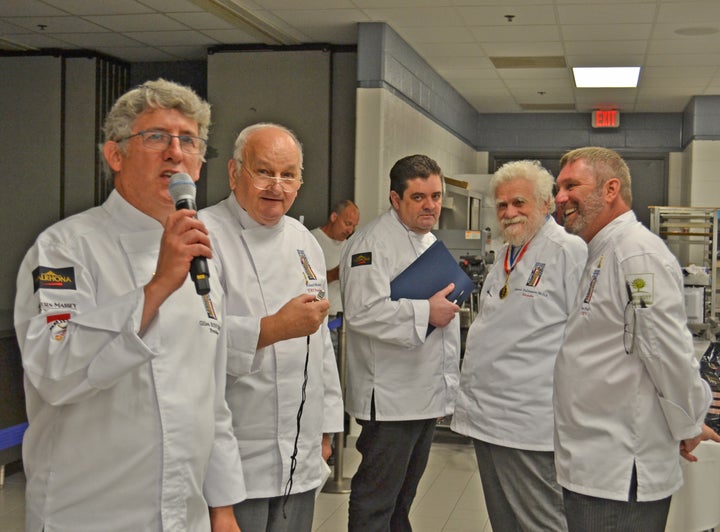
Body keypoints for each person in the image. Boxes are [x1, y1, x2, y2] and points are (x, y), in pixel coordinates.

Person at [13, 79, 246, 532]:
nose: (175, 152)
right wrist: (157, 286)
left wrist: (222, 508)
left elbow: (209, 399)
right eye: (156, 136)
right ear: (115, 155)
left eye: (189, 141)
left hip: (186, 515)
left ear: (197, 166)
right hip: (88, 514)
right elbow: (54, 369)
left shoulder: (203, 257)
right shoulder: (63, 249)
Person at [553, 146, 720, 531]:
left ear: (611, 189)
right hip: (595, 461)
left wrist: (690, 423)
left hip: (618, 470)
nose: (560, 198)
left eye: (571, 185)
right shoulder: (602, 252)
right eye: (559, 188)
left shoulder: (635, 255)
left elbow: (665, 350)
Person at [198, 123, 344, 532]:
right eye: (263, 171)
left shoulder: (303, 240)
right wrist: (273, 328)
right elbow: (190, 343)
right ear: (233, 173)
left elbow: (321, 343)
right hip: (235, 452)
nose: (276, 186)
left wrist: (328, 423)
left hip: (300, 447)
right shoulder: (203, 237)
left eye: (288, 175)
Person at [451, 160, 586, 531]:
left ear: (546, 204)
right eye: (502, 205)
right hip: (489, 418)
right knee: (505, 523)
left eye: (519, 203)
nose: (509, 213)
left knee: (539, 522)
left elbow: (588, 335)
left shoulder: (568, 251)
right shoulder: (506, 254)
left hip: (529, 421)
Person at [340, 154, 461, 532]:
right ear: (396, 199)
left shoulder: (428, 239)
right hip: (391, 398)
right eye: (419, 197)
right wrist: (426, 312)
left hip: (422, 394)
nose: (431, 206)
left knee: (402, 499)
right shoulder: (370, 243)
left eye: (436, 196)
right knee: (377, 499)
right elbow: (362, 313)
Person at [310, 199, 360, 320]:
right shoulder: (311, 240)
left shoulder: (351, 246)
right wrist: (333, 274)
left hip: (344, 317)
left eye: (354, 226)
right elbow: (304, 282)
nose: (350, 231)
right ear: (334, 217)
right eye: (348, 224)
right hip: (320, 316)